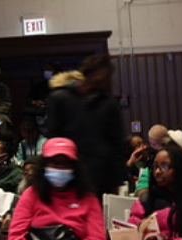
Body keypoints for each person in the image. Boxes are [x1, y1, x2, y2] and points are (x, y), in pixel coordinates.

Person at [45, 54, 127, 193]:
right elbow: (53, 140)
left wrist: (119, 178)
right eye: (105, 75)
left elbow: (117, 144)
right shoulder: (60, 98)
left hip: (102, 178)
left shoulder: (108, 103)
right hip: (71, 175)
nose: (107, 80)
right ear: (92, 72)